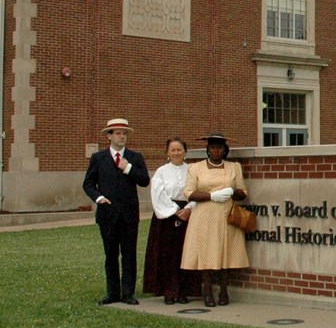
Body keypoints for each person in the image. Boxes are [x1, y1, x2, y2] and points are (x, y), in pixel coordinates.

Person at [83, 118, 150, 305]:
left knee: (129, 254)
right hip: (107, 215)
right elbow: (88, 184)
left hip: (129, 215)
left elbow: (144, 180)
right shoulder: (99, 158)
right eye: (118, 133)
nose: (122, 136)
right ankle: (112, 293)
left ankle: (128, 293)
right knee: (111, 255)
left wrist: (127, 168)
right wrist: (98, 198)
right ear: (109, 136)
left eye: (124, 133)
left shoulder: (135, 157)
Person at [181, 133, 249, 307]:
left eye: (219, 148)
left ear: (224, 150)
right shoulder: (196, 168)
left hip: (226, 215)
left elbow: (243, 191)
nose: (216, 151)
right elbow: (189, 192)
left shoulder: (234, 167)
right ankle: (208, 292)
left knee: (225, 251)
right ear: (208, 150)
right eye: (212, 148)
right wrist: (212, 195)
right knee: (206, 252)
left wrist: (231, 192)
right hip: (204, 215)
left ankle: (224, 291)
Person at [143, 137, 202, 304]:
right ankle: (169, 290)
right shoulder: (161, 172)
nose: (176, 153)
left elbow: (199, 190)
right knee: (168, 254)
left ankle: (184, 291)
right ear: (167, 153)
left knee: (185, 253)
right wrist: (175, 210)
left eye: (179, 150)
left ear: (185, 152)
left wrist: (189, 208)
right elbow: (158, 194)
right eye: (173, 150)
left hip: (189, 213)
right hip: (167, 216)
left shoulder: (192, 170)